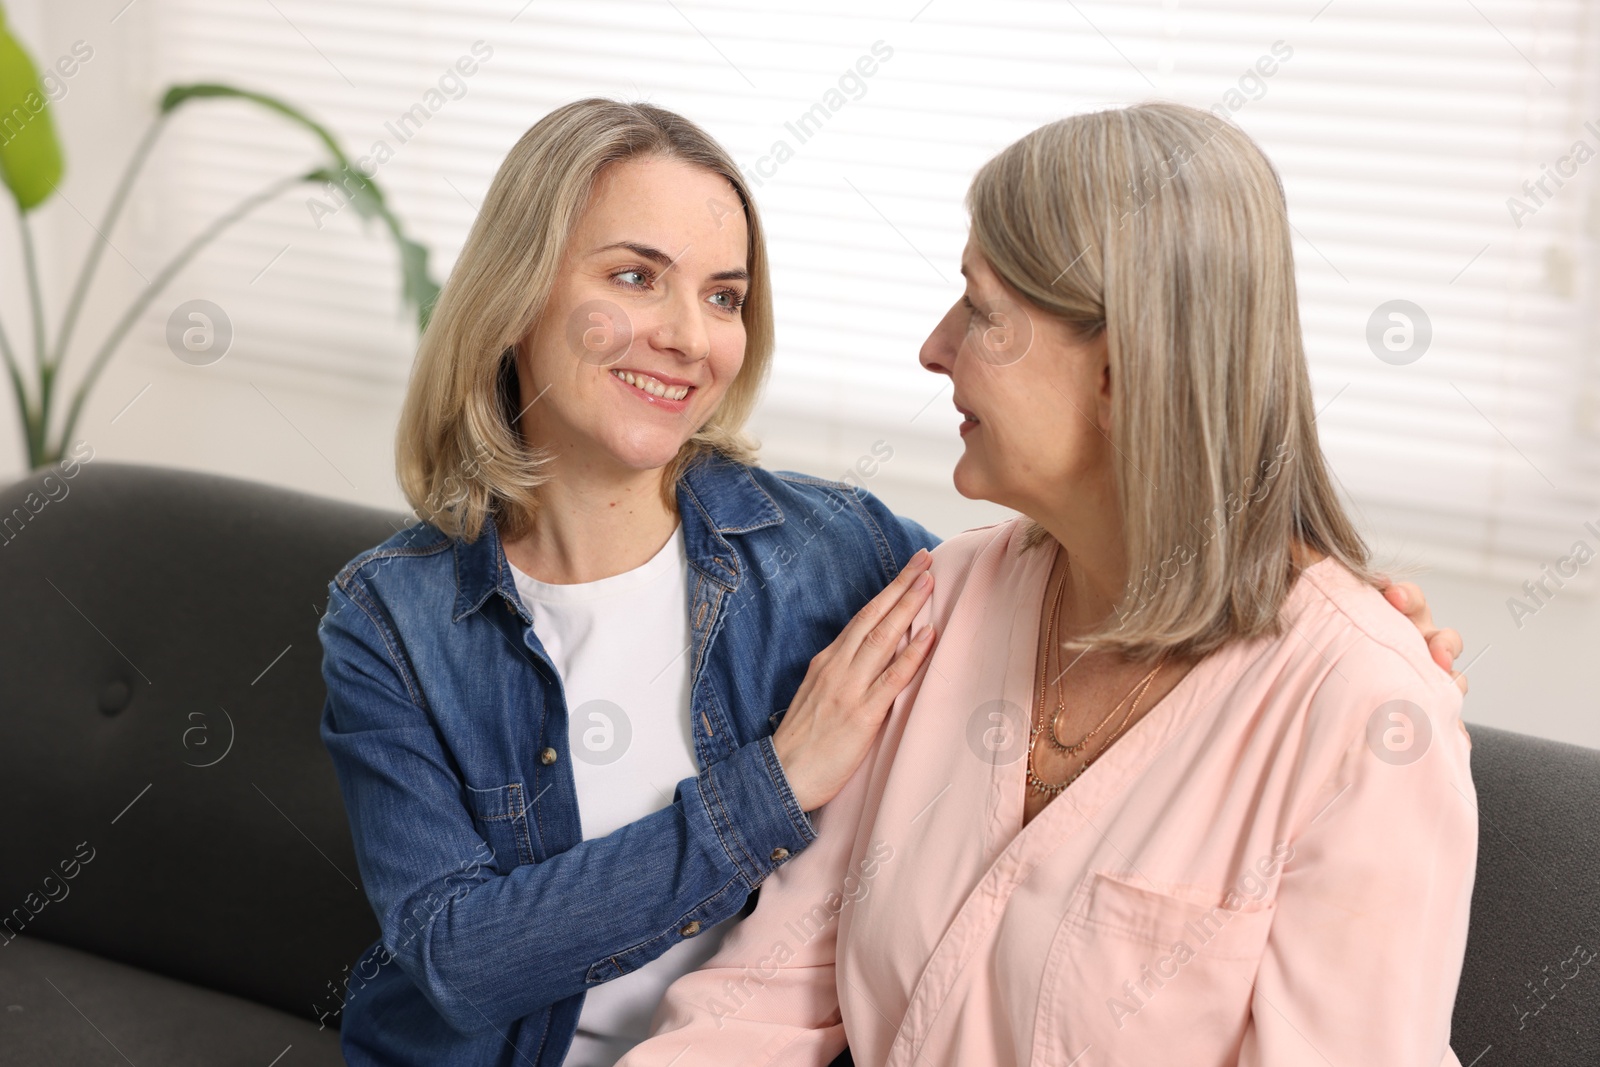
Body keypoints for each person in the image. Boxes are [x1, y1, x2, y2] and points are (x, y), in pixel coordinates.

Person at [317, 99, 1464, 1067]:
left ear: (1122, 369)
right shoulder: (940, 601)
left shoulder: (854, 561)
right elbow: (755, 984)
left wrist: (1367, 648)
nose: (930, 346)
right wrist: (768, 788)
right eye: (635, 276)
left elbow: (1260, 603)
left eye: (723, 294)